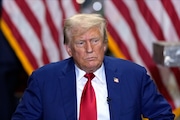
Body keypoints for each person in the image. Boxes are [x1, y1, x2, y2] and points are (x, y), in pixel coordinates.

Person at [12, 13, 174, 120]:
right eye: (81, 43)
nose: (89, 49)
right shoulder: (44, 79)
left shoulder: (133, 75)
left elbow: (163, 116)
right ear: (69, 48)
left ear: (104, 44)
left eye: (95, 41)